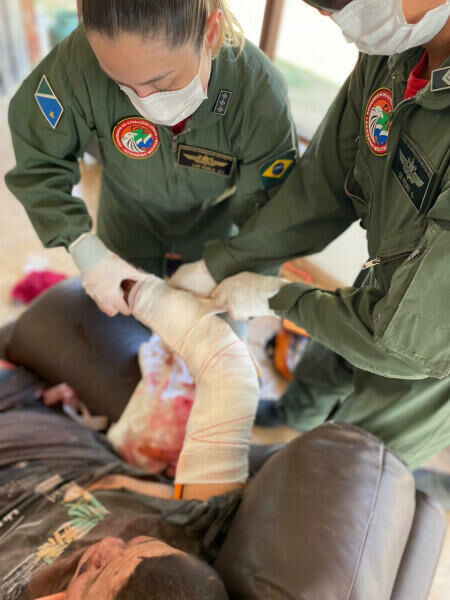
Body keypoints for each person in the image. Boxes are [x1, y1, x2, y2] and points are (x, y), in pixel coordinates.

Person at [175, 0, 450, 471]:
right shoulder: (396, 51)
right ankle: (292, 416)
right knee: (326, 361)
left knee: (351, 461)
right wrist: (222, 262)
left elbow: (403, 344)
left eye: (343, 2)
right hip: (390, 270)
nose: (332, 18)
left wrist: (280, 298)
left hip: (429, 351)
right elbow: (323, 185)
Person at [5, 0, 297, 318]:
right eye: (121, 83)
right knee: (115, 342)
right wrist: (81, 245)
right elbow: (38, 158)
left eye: (164, 81)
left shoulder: (259, 95)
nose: (144, 102)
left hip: (215, 234)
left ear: (210, 31)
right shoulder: (80, 61)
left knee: (215, 349)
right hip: (126, 225)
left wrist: (225, 267)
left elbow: (276, 210)